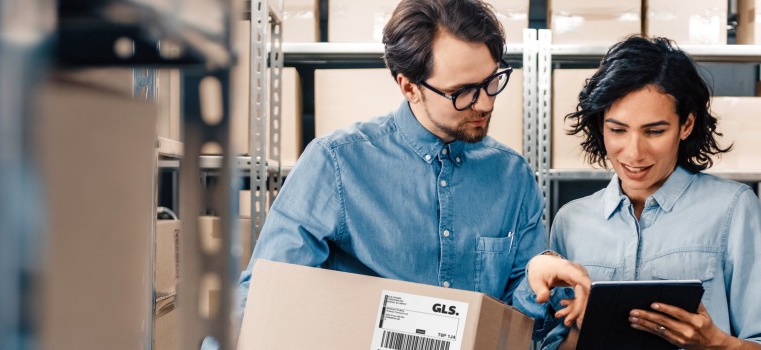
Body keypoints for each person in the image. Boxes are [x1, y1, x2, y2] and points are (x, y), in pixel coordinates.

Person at [234, 0, 591, 334]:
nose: (485, 103)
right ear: (408, 86)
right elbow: (263, 298)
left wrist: (536, 280)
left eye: (492, 80)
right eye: (463, 91)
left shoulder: (513, 177)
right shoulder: (335, 164)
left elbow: (519, 319)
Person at [531, 36, 761, 349]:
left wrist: (717, 343)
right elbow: (553, 343)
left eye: (654, 131)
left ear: (686, 125)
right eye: (618, 130)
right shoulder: (571, 221)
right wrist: (580, 326)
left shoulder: (733, 208)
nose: (634, 153)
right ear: (601, 126)